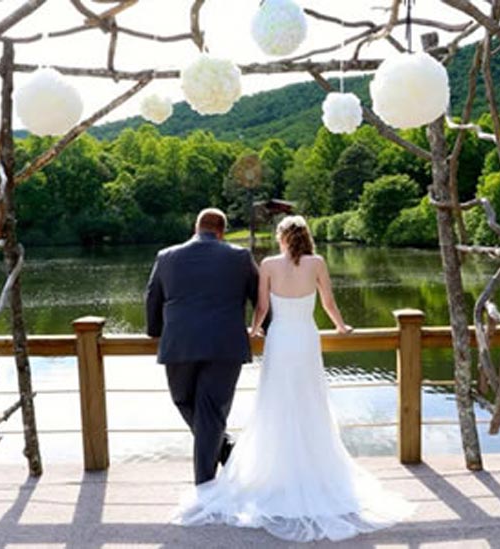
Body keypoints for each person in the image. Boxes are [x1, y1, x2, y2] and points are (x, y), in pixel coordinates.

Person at [177, 215, 415, 543]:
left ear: (282, 237)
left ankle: (276, 474)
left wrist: (255, 329)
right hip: (305, 339)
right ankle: (311, 470)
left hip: (279, 340)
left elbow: (261, 307)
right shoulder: (317, 263)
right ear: (305, 236)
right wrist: (342, 328)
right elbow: (329, 303)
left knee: (275, 403)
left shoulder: (270, 265)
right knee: (309, 402)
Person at [145, 207, 260, 485]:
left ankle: (205, 485)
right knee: (211, 412)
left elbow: (152, 298)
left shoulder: (167, 256)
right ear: (222, 231)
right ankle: (226, 451)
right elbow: (260, 298)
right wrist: (271, 328)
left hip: (179, 345)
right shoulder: (240, 257)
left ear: (196, 228)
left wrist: (155, 332)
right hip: (225, 346)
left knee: (184, 401)